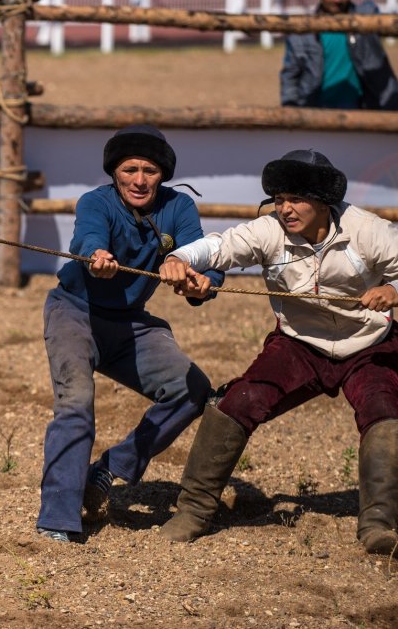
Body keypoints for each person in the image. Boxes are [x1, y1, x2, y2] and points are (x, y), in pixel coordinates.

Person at [159, 150, 398, 555]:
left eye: (297, 199)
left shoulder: (369, 229)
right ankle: (194, 511)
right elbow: (217, 248)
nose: (285, 208)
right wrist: (178, 258)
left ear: (324, 201)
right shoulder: (267, 230)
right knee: (238, 402)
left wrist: (392, 291)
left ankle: (379, 525)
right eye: (279, 198)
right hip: (297, 343)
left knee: (387, 417)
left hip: (369, 344)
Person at [37, 125, 225, 543]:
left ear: (164, 174)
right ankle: (57, 521)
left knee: (192, 389)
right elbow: (88, 236)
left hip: (130, 322)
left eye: (150, 170)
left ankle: (108, 470)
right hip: (74, 313)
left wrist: (204, 282)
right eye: (130, 169)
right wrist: (96, 255)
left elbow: (203, 255)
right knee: (76, 406)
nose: (140, 180)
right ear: (114, 172)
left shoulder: (179, 208)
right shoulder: (95, 202)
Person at [280, 0, 398, 110]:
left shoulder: (366, 16)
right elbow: (290, 74)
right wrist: (289, 107)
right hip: (316, 111)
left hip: (366, 107)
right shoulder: (303, 32)